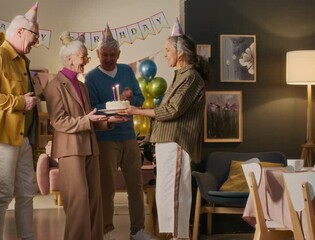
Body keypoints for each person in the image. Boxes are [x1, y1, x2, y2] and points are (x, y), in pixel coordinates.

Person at [120, 19, 210, 240]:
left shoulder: (190, 78)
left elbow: (171, 110)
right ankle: (173, 236)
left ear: (180, 54)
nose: (165, 54)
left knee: (175, 194)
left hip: (177, 142)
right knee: (166, 194)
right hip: (168, 143)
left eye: (168, 50)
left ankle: (180, 237)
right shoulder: (180, 77)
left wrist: (137, 111)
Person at [44, 31, 127, 240]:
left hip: (90, 147)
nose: (87, 60)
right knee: (78, 202)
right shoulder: (54, 85)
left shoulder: (81, 85)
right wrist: (87, 120)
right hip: (70, 150)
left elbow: (89, 118)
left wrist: (108, 121)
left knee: (94, 201)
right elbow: (58, 121)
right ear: (69, 58)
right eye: (83, 56)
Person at [0, 2, 41, 240]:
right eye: (35, 36)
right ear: (20, 31)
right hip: (1, 136)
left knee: (26, 191)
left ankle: (28, 237)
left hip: (20, 138)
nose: (37, 41)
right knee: (2, 194)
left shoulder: (22, 61)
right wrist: (20, 102)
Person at [85, 24, 157, 240]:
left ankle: (138, 231)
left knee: (136, 186)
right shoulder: (91, 78)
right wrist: (110, 114)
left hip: (128, 136)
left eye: (112, 55)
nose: (108, 59)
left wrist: (129, 98)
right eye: (104, 55)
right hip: (106, 138)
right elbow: (93, 108)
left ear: (119, 54)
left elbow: (139, 99)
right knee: (107, 188)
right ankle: (106, 230)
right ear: (97, 54)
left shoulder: (126, 70)